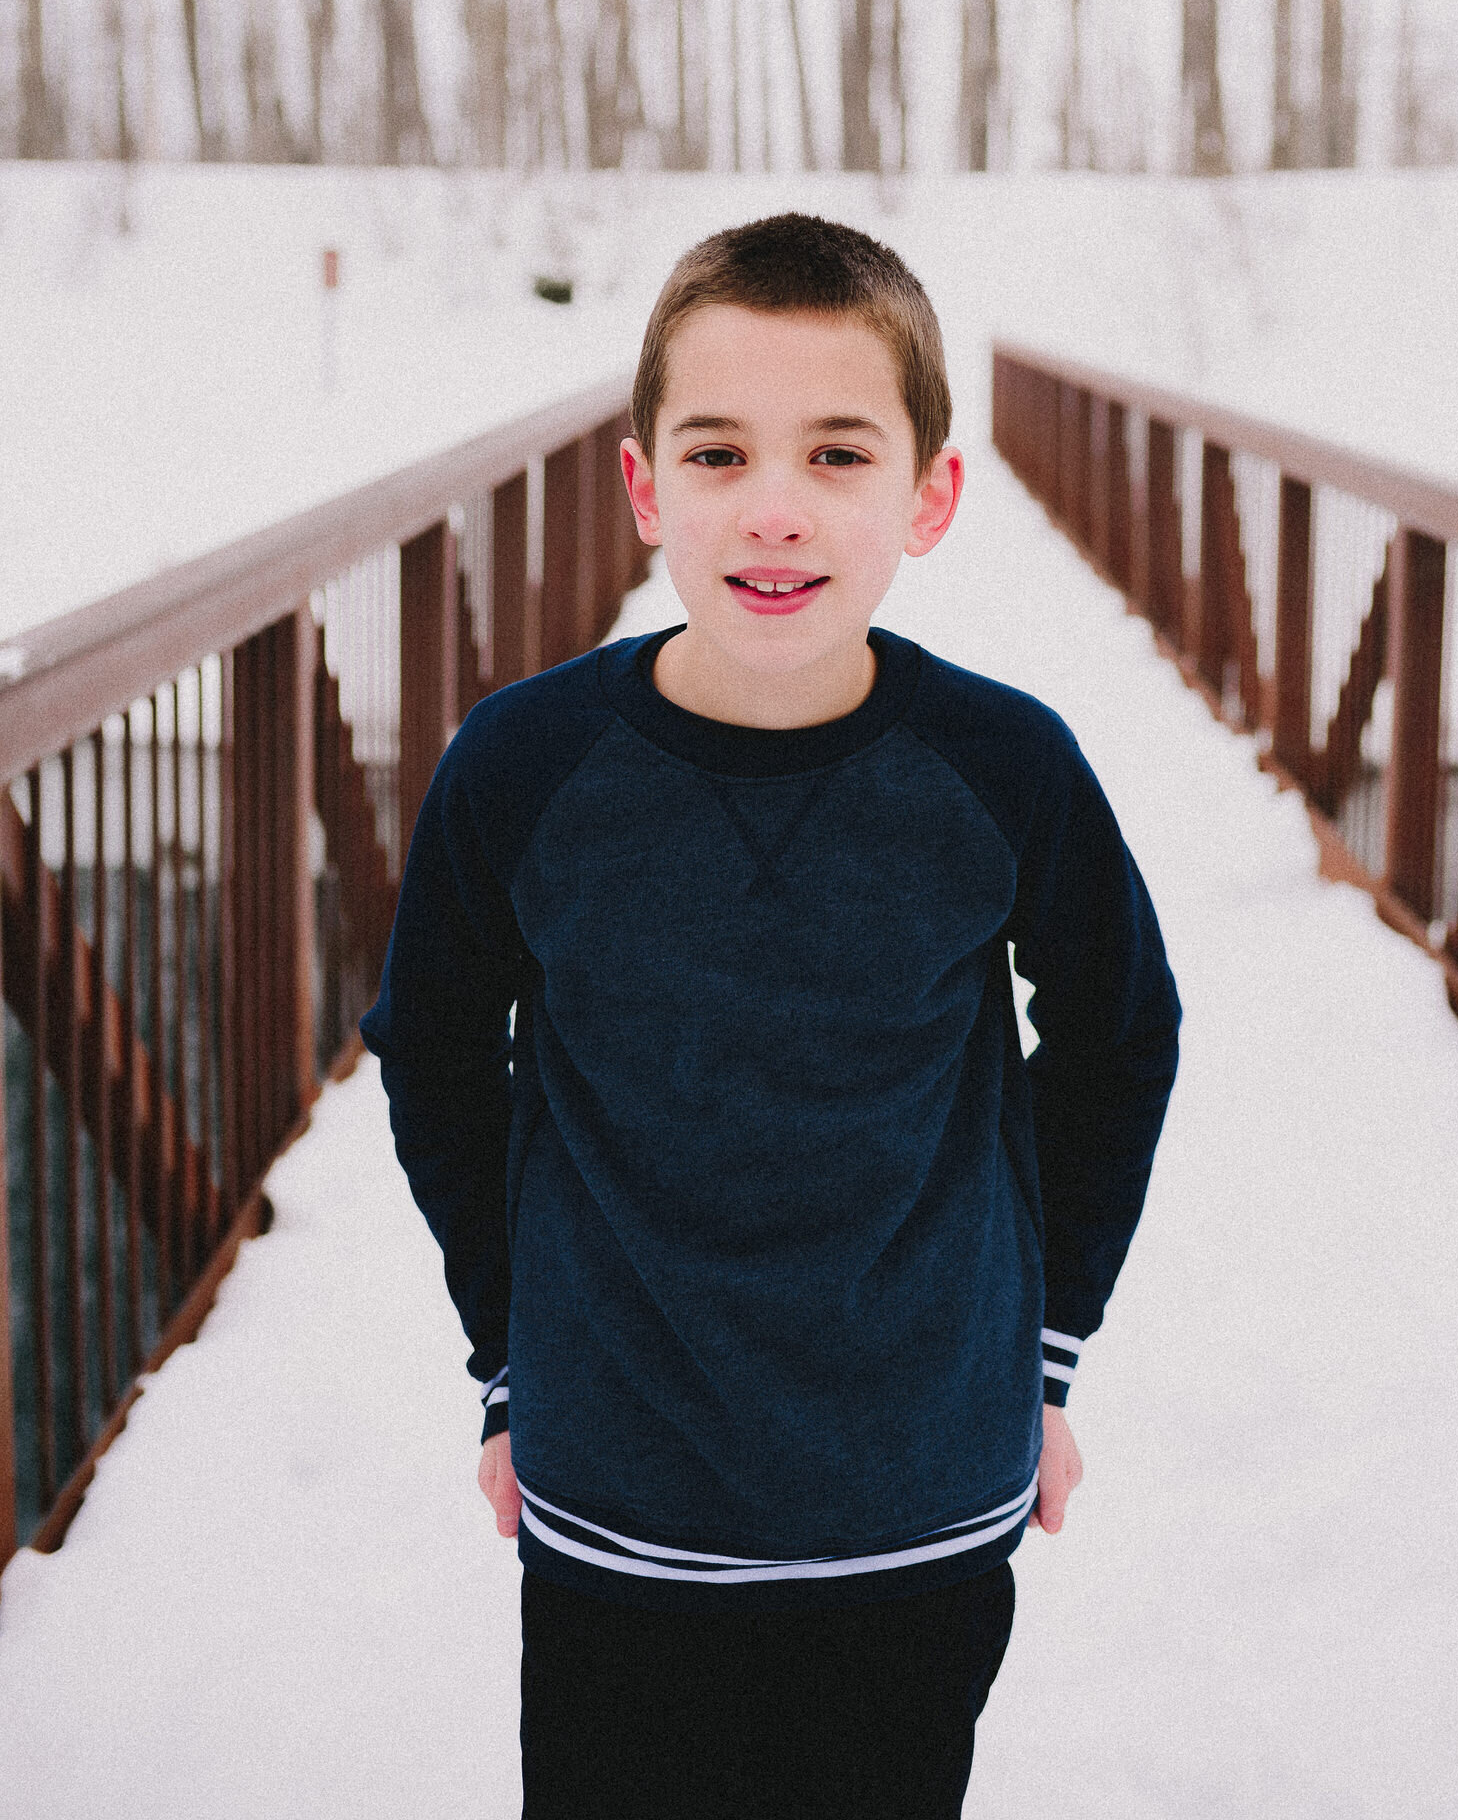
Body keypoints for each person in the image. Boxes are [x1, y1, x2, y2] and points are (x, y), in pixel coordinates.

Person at [361, 213, 1180, 1819]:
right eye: (720, 452)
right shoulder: (525, 771)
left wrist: (1047, 1354)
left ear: (927, 496)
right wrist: (509, 1361)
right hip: (619, 1502)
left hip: (920, 1500)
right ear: (645, 487)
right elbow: (439, 1051)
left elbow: (1117, 1036)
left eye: (838, 452)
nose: (775, 509)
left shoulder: (1003, 770)